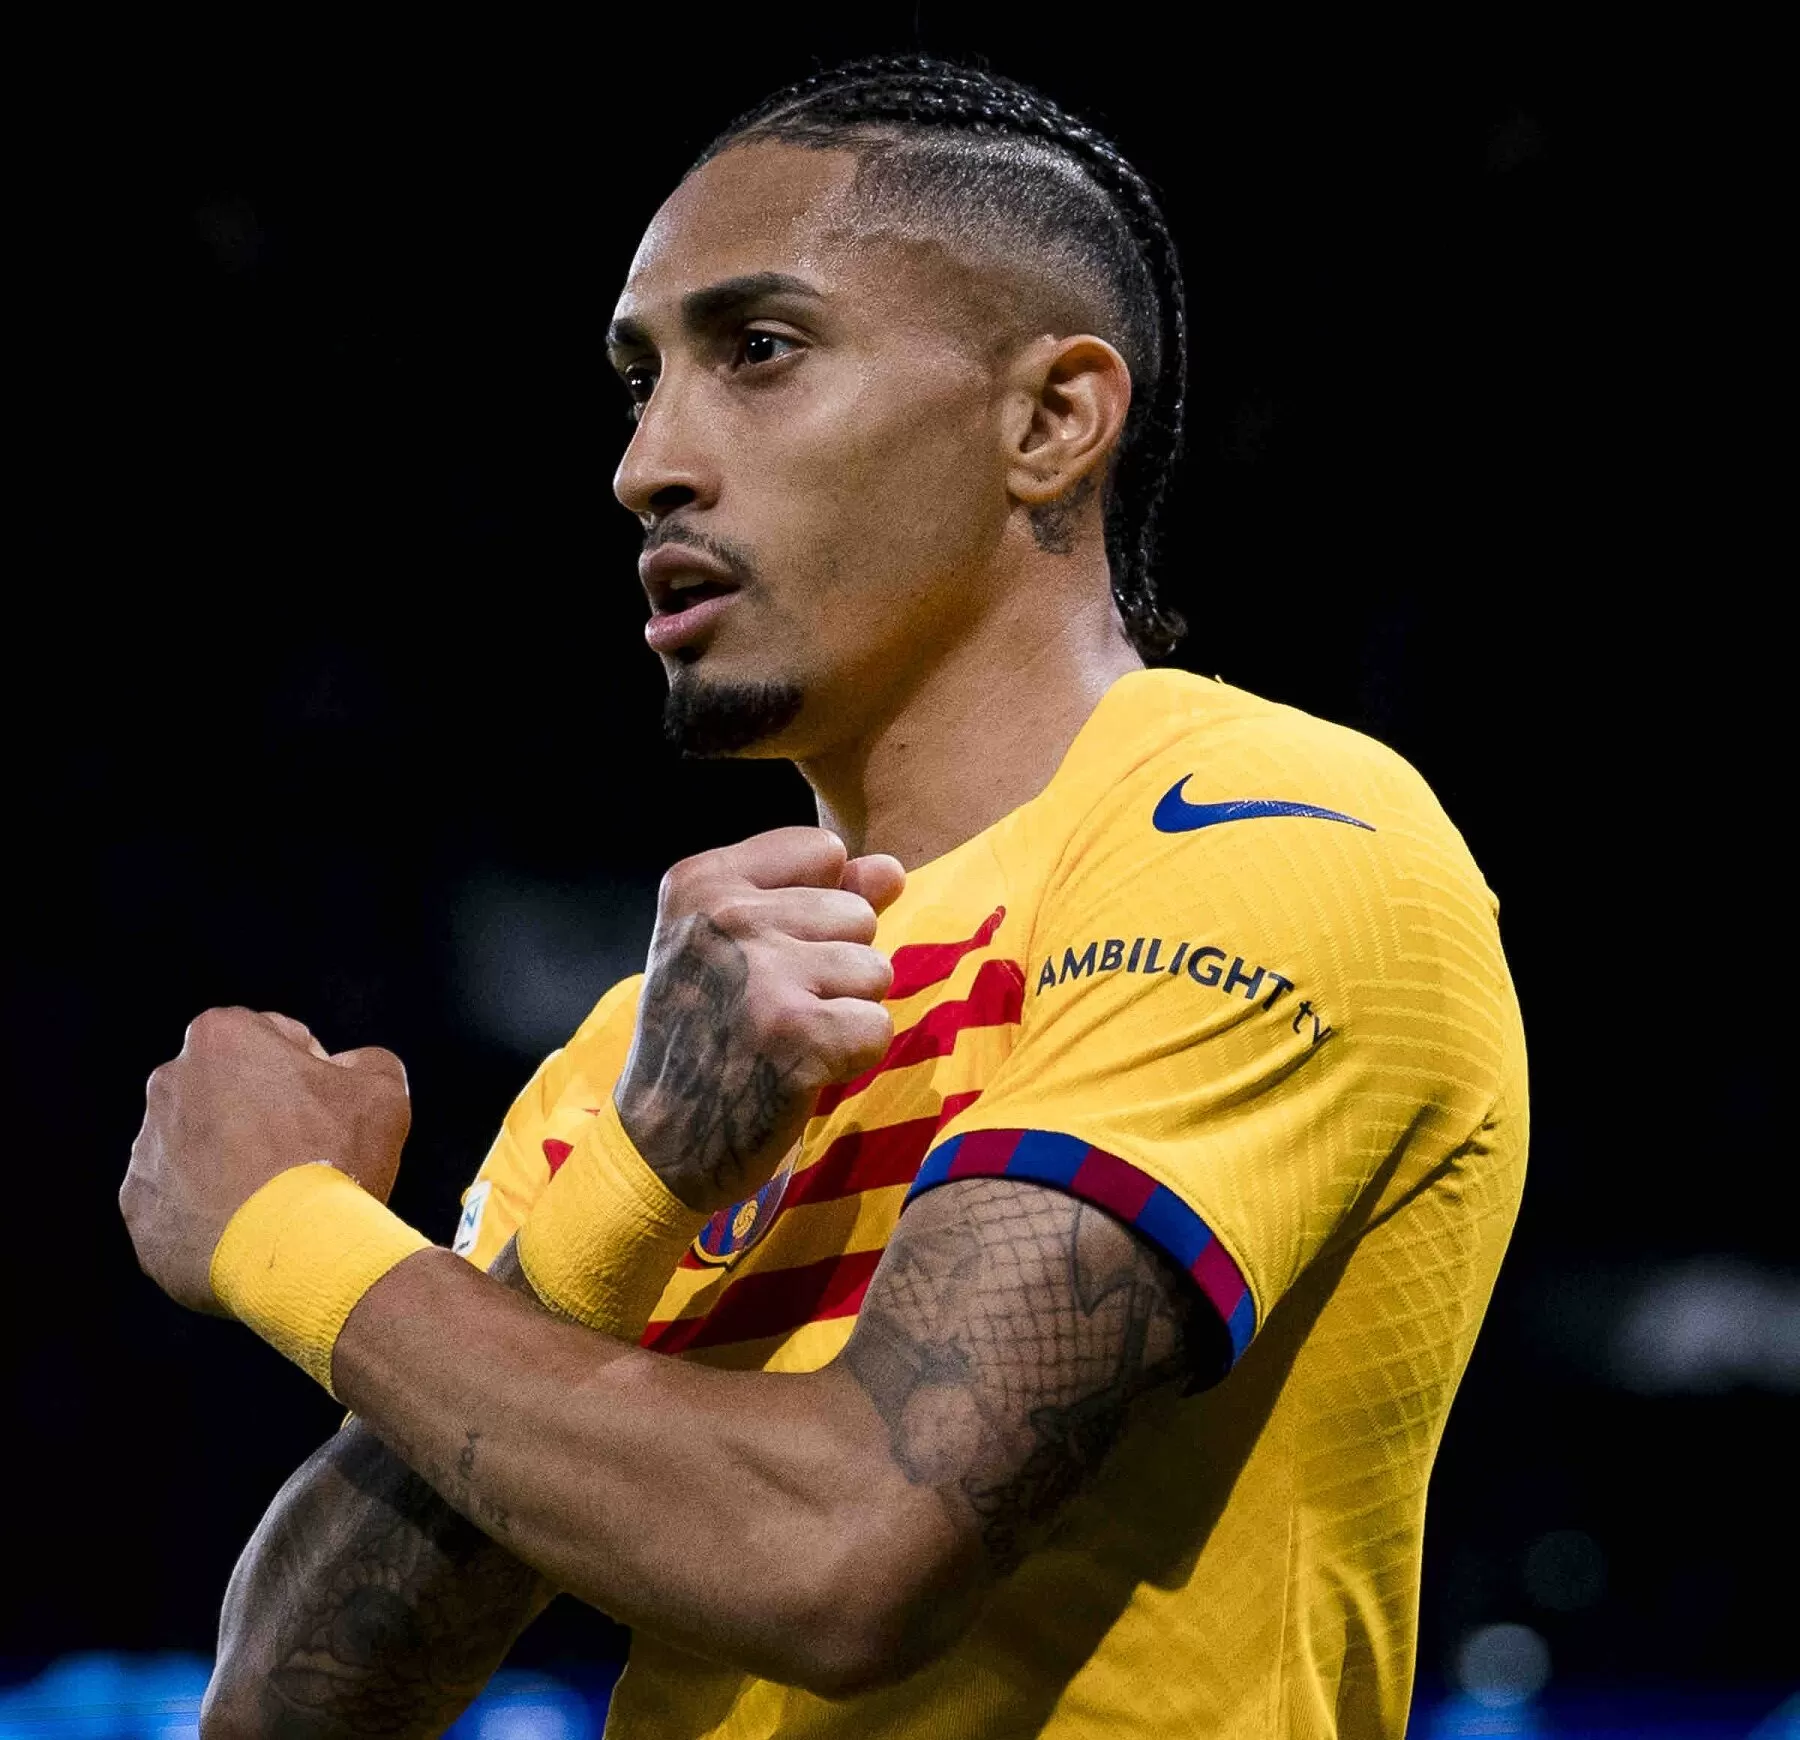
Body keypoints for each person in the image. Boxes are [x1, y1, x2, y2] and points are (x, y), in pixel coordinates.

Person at [121, 55, 1527, 1740]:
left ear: (1050, 421)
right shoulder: (654, 1041)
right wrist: (633, 1187)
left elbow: (852, 1553)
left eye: (760, 351)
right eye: (638, 382)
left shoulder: (1272, 837)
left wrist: (282, 1229)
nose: (647, 463)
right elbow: (292, 1713)